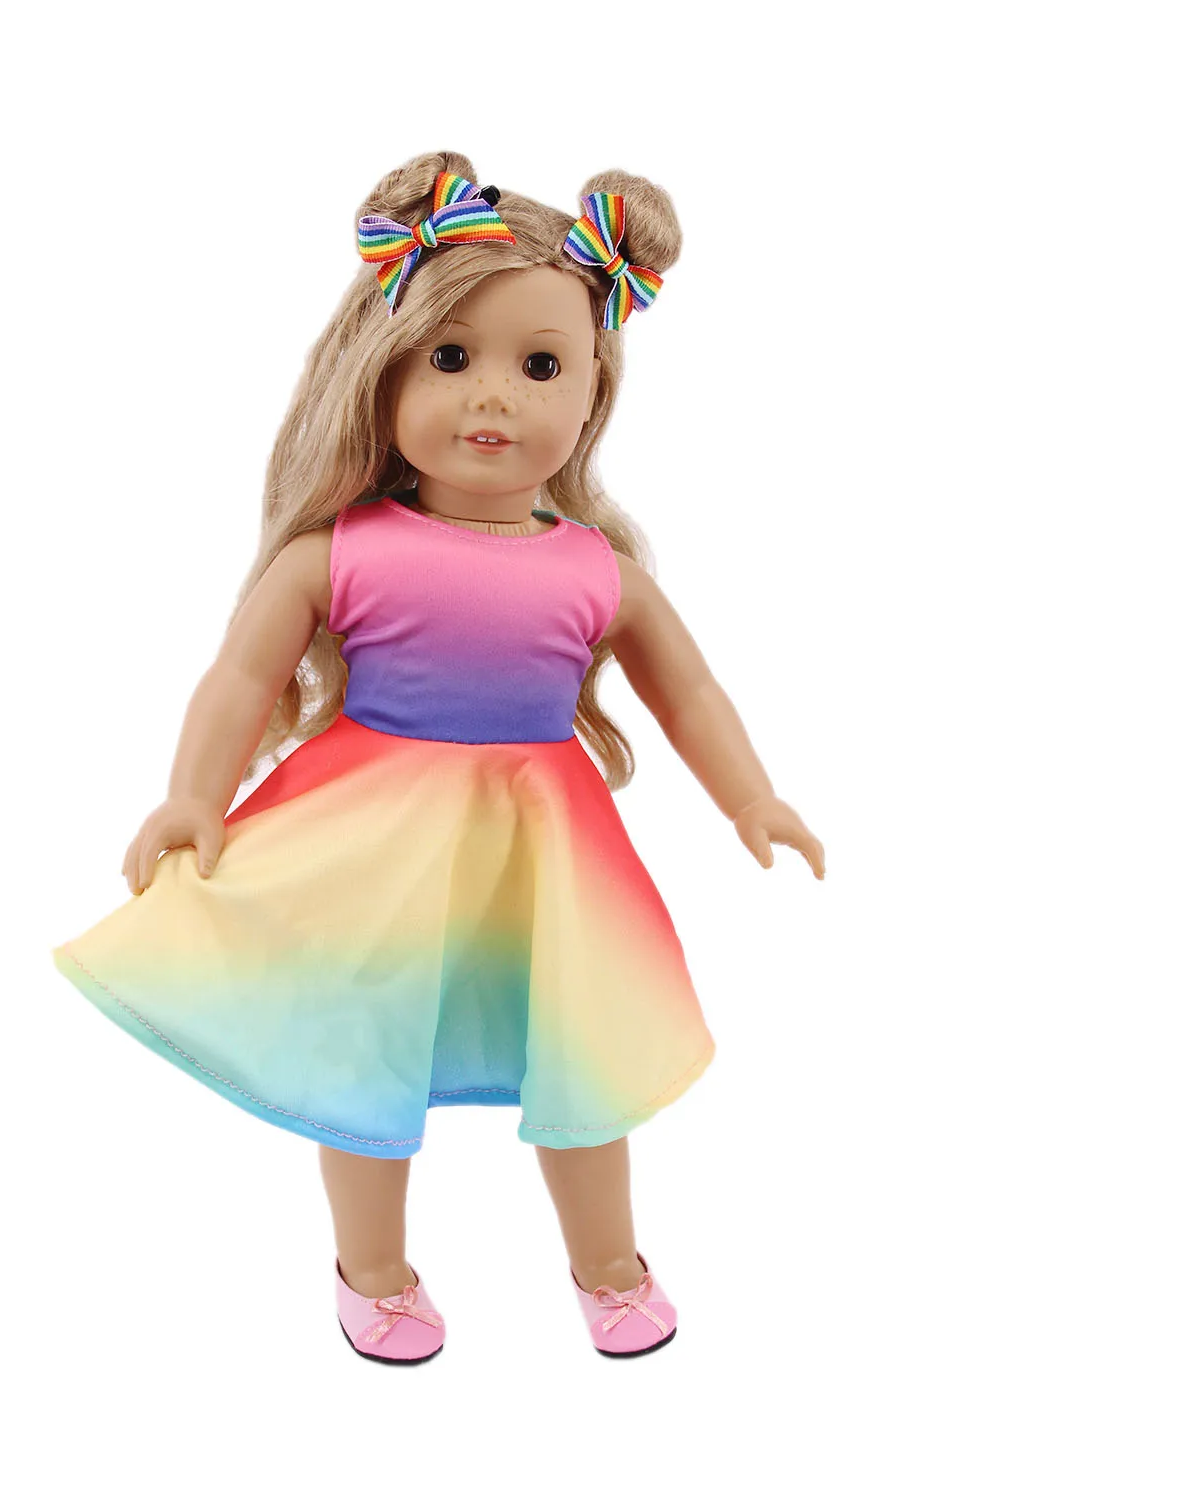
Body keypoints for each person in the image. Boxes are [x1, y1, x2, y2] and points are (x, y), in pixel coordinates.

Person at [52, 152, 825, 1363]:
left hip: (545, 851)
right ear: (385, 371)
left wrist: (753, 798)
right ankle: (373, 1271)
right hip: (365, 836)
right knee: (358, 1055)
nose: (493, 398)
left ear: (593, 389)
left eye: (541, 366)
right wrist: (193, 796)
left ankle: (609, 1266)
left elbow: (690, 689)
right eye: (451, 359)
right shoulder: (337, 553)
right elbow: (240, 678)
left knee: (581, 1054)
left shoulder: (598, 572)